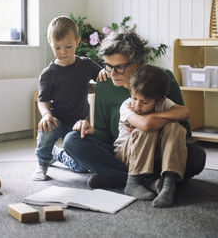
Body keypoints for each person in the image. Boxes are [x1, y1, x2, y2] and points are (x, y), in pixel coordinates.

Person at [63, 30, 206, 203]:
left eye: (119, 67)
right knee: (72, 140)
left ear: (137, 64)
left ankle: (113, 177)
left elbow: (185, 131)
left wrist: (150, 122)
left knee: (197, 156)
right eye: (107, 66)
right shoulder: (104, 83)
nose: (112, 73)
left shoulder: (162, 78)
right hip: (123, 153)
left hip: (160, 153)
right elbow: (104, 135)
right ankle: (148, 182)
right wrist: (90, 129)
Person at [32, 15, 102, 181]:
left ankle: (58, 154)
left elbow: (102, 76)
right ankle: (42, 163)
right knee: (46, 128)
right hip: (57, 120)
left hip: (78, 123)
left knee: (83, 167)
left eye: (68, 46)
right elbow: (42, 101)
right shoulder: (48, 74)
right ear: (51, 45)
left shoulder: (86, 65)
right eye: (57, 47)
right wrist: (46, 115)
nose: (63, 52)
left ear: (77, 42)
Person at [114, 64, 189, 207]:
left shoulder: (163, 103)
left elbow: (185, 113)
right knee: (147, 129)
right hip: (125, 155)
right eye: (134, 97)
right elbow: (146, 125)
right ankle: (133, 182)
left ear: (160, 100)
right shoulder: (126, 106)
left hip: (153, 156)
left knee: (174, 127)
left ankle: (168, 183)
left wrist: (154, 116)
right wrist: (157, 119)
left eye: (144, 102)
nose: (136, 106)